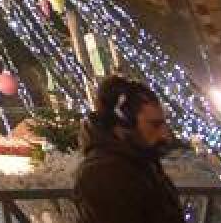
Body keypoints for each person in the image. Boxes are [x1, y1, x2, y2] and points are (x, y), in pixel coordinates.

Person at [73, 75, 182, 223]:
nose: (166, 135)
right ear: (123, 124)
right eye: (155, 125)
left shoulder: (139, 160)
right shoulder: (103, 174)